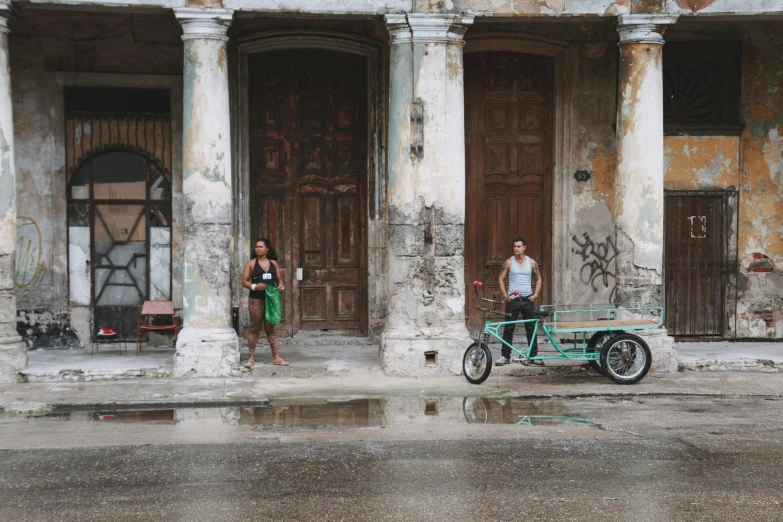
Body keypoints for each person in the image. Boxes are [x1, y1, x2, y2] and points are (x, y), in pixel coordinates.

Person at [495, 236, 543, 366]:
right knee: (509, 328)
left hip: (528, 299)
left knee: (531, 328)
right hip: (513, 300)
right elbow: (500, 278)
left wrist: (536, 295)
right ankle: (505, 356)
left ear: (524, 248)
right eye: (514, 246)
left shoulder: (531, 262)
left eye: (518, 246)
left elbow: (538, 279)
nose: (516, 249)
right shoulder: (509, 262)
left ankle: (533, 356)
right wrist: (505, 295)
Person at [241, 238, 288, 368]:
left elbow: (279, 280)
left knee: (270, 329)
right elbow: (244, 282)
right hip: (256, 300)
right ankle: (250, 358)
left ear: (267, 249)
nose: (258, 249)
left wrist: (281, 286)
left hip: (271, 299)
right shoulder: (251, 263)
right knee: (255, 328)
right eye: (256, 247)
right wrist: (255, 286)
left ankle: (276, 357)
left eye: (261, 247)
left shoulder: (274, 263)